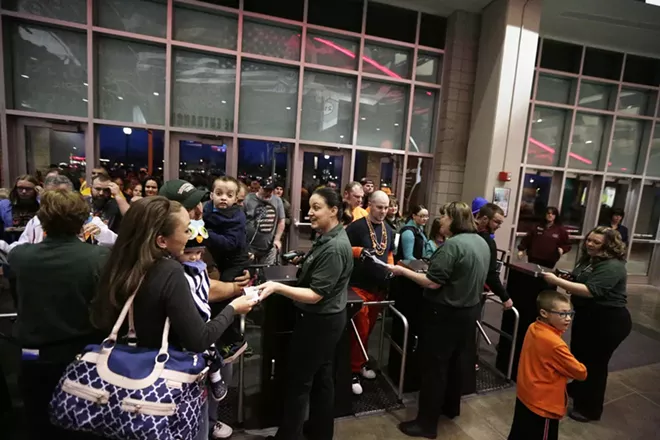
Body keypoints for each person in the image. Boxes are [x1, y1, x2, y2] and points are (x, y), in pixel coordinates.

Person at [91, 197, 257, 440]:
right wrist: (233, 308)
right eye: (186, 229)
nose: (189, 235)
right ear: (162, 240)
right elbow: (199, 339)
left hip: (119, 382)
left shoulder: (114, 263)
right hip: (165, 386)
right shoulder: (170, 272)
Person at [10, 189, 110, 440]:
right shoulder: (98, 258)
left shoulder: (20, 256)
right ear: (83, 220)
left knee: (38, 425)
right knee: (84, 427)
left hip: (33, 360)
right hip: (84, 360)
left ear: (41, 220)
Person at [159, 178, 252, 440]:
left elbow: (209, 272)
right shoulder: (170, 249)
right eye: (191, 207)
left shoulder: (198, 229)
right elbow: (204, 287)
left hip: (204, 335)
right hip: (183, 348)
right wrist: (234, 293)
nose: (199, 209)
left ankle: (211, 421)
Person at [387, 202, 490, 439]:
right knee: (456, 363)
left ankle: (426, 424)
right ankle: (450, 407)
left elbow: (433, 282)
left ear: (453, 219)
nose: (440, 221)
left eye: (443, 217)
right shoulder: (481, 242)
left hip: (444, 314)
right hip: (469, 312)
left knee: (435, 369)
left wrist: (403, 271)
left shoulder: (452, 246)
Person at [257, 188, 353, 440]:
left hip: (319, 323)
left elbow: (315, 295)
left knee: (300, 384)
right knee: (321, 378)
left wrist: (277, 286)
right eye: (309, 206)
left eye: (316, 207)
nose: (309, 212)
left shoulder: (334, 247)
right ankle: (319, 432)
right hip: (326, 320)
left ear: (333, 211)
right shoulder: (327, 238)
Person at [542, 226, 631, 423]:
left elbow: (591, 290)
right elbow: (581, 277)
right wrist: (570, 278)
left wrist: (557, 281)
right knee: (580, 355)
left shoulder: (613, 266)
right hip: (587, 317)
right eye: (589, 240)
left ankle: (590, 408)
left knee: (595, 364)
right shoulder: (589, 259)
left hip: (608, 320)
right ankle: (579, 388)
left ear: (608, 246)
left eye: (596, 242)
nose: (590, 244)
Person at [508, 291, 587, 440]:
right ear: (544, 313)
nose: (568, 318)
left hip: (526, 395)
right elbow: (581, 373)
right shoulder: (555, 344)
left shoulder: (533, 327)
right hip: (543, 406)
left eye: (570, 313)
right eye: (562, 314)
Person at [345, 191, 395, 395]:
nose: (383, 211)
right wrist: (358, 251)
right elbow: (341, 249)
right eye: (379, 207)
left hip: (378, 289)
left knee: (369, 330)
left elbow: (389, 252)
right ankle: (352, 370)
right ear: (370, 206)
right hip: (358, 287)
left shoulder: (389, 229)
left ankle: (362, 362)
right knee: (360, 329)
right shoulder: (356, 227)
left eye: (386, 207)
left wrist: (390, 269)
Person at [0, 175, 116, 253]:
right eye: (51, 195)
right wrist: (4, 246)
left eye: (61, 194)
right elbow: (21, 246)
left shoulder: (87, 219)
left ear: (72, 195)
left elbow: (114, 241)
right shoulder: (37, 220)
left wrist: (101, 233)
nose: (56, 200)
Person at [203, 176, 250, 360]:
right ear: (211, 195)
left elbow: (230, 243)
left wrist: (205, 233)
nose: (224, 198)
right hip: (220, 261)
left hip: (235, 261)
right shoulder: (206, 210)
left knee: (221, 301)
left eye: (229, 195)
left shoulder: (237, 216)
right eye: (219, 193)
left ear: (236, 198)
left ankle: (234, 340)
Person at [475, 203, 513, 309]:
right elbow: (491, 273)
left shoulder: (465, 233)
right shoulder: (488, 242)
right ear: (485, 219)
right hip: (476, 290)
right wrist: (505, 297)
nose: (498, 226)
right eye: (496, 222)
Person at [244, 181, 286, 265]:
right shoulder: (249, 199)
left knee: (266, 273)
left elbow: (281, 220)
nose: (268, 193)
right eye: (266, 190)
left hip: (268, 246)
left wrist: (277, 239)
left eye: (270, 191)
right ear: (260, 188)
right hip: (250, 245)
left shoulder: (277, 200)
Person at [0, 175, 41, 243]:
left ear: (35, 190)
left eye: (28, 189)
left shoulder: (42, 206)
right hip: (10, 244)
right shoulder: (4, 206)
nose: (24, 191)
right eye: (20, 188)